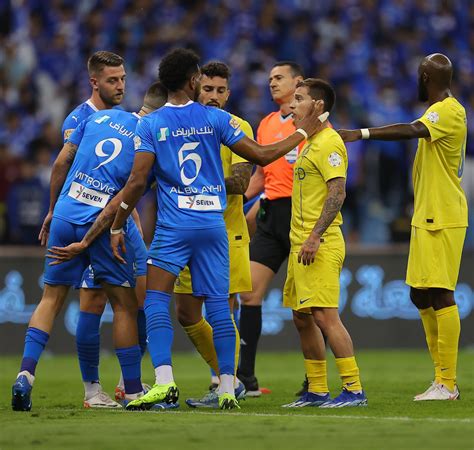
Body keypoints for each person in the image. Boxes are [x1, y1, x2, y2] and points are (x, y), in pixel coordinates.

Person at [109, 48, 322, 411]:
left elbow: (136, 181)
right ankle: (226, 386)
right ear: (193, 82)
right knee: (220, 309)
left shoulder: (150, 124)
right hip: (212, 224)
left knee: (158, 299)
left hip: (174, 226)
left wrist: (117, 224)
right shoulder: (216, 119)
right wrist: (304, 130)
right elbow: (263, 156)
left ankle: (163, 382)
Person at [10, 82, 165, 412]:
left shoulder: (99, 118)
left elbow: (59, 164)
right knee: (123, 303)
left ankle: (26, 374)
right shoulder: (150, 141)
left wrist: (53, 210)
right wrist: (91, 237)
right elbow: (117, 204)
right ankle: (133, 390)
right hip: (101, 222)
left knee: (51, 298)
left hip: (66, 210)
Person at [339, 53, 467, 401]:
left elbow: (413, 130)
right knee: (418, 293)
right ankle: (442, 379)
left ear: (425, 75)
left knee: (441, 292)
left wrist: (361, 133)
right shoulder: (436, 111)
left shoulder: (449, 110)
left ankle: (447, 382)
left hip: (442, 214)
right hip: (427, 214)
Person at [61, 51, 149, 408]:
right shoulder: (79, 118)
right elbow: (75, 171)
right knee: (94, 301)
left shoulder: (127, 120)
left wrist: (132, 217)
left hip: (125, 223)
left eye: (124, 79)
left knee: (141, 301)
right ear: (95, 82)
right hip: (92, 225)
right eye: (114, 80)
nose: (121, 86)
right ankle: (92, 389)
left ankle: (127, 382)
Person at [280, 78, 367, 408]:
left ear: (318, 106)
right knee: (302, 317)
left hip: (320, 242)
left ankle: (354, 389)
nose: (291, 105)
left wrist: (315, 236)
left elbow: (338, 191)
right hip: (299, 244)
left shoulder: (329, 142)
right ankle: (317, 390)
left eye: (298, 99)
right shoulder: (308, 142)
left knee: (325, 317)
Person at [172, 61, 253, 408]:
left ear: (228, 93)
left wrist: (195, 186)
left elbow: (242, 181)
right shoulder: (179, 124)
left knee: (224, 309)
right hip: (186, 231)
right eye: (208, 89)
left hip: (227, 231)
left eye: (221, 90)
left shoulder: (237, 126)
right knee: (186, 311)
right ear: (195, 87)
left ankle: (224, 382)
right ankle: (224, 376)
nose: (214, 96)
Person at [238, 61, 306, 396]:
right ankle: (246, 378)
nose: (272, 83)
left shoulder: (312, 123)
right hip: (270, 214)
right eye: (269, 79)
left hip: (300, 213)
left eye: (279, 78)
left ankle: (315, 380)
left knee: (308, 304)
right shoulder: (264, 124)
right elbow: (261, 177)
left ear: (299, 82)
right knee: (249, 294)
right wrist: (233, 200)